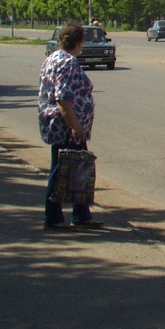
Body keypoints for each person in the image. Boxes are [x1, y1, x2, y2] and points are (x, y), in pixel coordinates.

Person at [39, 18, 103, 230]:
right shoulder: (67, 62)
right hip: (66, 126)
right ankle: (54, 217)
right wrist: (75, 126)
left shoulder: (52, 58)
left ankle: (81, 214)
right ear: (79, 43)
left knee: (77, 168)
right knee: (62, 170)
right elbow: (63, 98)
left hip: (59, 125)